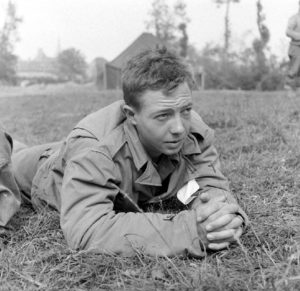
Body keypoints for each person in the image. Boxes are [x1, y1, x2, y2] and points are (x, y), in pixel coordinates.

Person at [7, 47, 248, 257]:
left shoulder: (190, 127)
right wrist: (191, 231)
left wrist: (220, 213)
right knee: (12, 157)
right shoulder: (95, 152)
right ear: (131, 115)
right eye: (163, 116)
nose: (178, 128)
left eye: (185, 110)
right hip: (44, 173)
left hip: (74, 154)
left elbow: (205, 182)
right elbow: (88, 229)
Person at [286, 0, 300, 88]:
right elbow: (288, 31)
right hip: (296, 47)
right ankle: (288, 89)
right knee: (294, 70)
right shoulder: (294, 18)